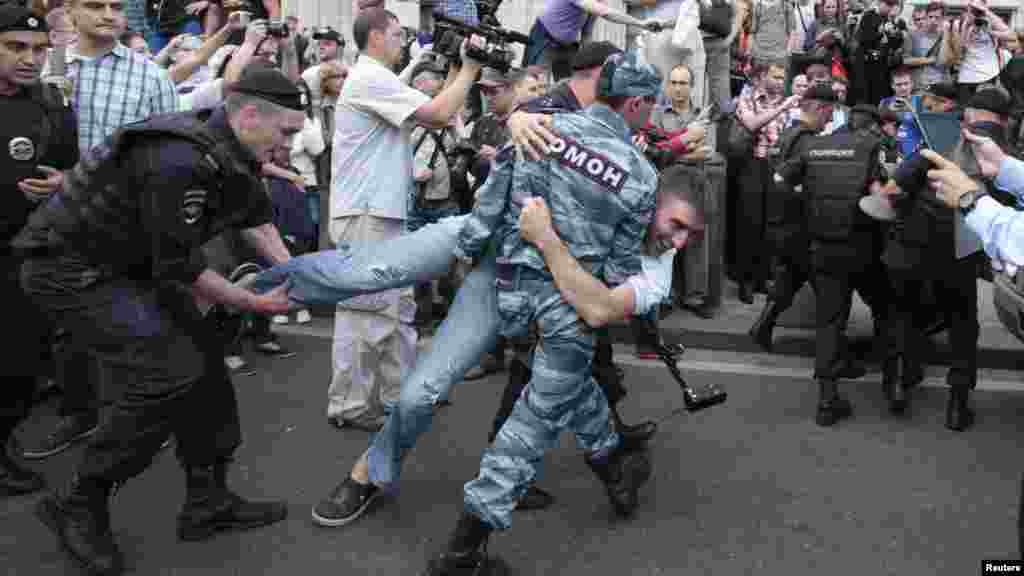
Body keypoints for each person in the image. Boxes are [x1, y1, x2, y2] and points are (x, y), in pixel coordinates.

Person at [13, 65, 303, 576]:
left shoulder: (234, 152)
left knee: (205, 366)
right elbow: (181, 267)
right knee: (166, 374)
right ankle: (80, 502)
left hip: (132, 265)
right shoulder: (179, 158)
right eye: (286, 132)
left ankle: (207, 500)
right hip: (70, 267)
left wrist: (306, 276)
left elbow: (257, 222)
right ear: (249, 115)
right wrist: (252, 302)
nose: (289, 146)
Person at [421, 51, 680, 575]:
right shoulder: (639, 174)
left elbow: (490, 201)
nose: (651, 114)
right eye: (650, 105)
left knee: (571, 384)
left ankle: (613, 467)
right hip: (567, 308)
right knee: (528, 429)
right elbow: (619, 270)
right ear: (635, 104)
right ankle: (463, 552)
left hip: (514, 295)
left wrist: (467, 252)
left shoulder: (540, 127)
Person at [325, 7, 483, 432]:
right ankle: (350, 404)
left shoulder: (380, 79)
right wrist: (469, 69)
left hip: (381, 211)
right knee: (366, 309)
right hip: (366, 212)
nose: (404, 41)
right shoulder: (369, 78)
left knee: (397, 309)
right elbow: (437, 114)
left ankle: (400, 395)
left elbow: (437, 106)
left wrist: (455, 69)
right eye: (397, 34)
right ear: (376, 36)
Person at [0, 5, 79, 498]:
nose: (29, 58)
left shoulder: (51, 105)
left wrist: (63, 183)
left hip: (26, 256)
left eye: (37, 49)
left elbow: (73, 171)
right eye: (15, 47)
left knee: (21, 365)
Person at [776, 101, 888, 427]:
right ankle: (895, 380)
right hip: (861, 248)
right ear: (869, 127)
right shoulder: (870, 148)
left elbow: (779, 178)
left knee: (829, 321)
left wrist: (806, 200)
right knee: (886, 306)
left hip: (823, 247)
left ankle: (827, 400)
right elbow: (880, 196)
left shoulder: (814, 146)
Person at [750, 83, 836, 350]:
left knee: (792, 277)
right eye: (829, 113)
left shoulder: (788, 134)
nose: (830, 121)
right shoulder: (807, 141)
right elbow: (807, 183)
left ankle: (762, 327)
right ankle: (833, 352)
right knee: (829, 289)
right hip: (799, 226)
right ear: (820, 109)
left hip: (781, 224)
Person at [522, 0, 665, 81]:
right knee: (534, 83)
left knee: (571, 87)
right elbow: (607, 13)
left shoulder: (598, 1)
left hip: (568, 46)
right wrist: (640, 23)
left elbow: (587, 33)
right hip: (544, 39)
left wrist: (587, 62)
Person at [904, 1, 948, 93]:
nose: (933, 20)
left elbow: (946, 61)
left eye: (937, 17)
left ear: (943, 18)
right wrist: (929, 60)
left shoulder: (945, 36)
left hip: (940, 83)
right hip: (920, 85)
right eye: (930, 17)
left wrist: (946, 35)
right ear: (926, 16)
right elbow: (906, 60)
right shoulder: (913, 35)